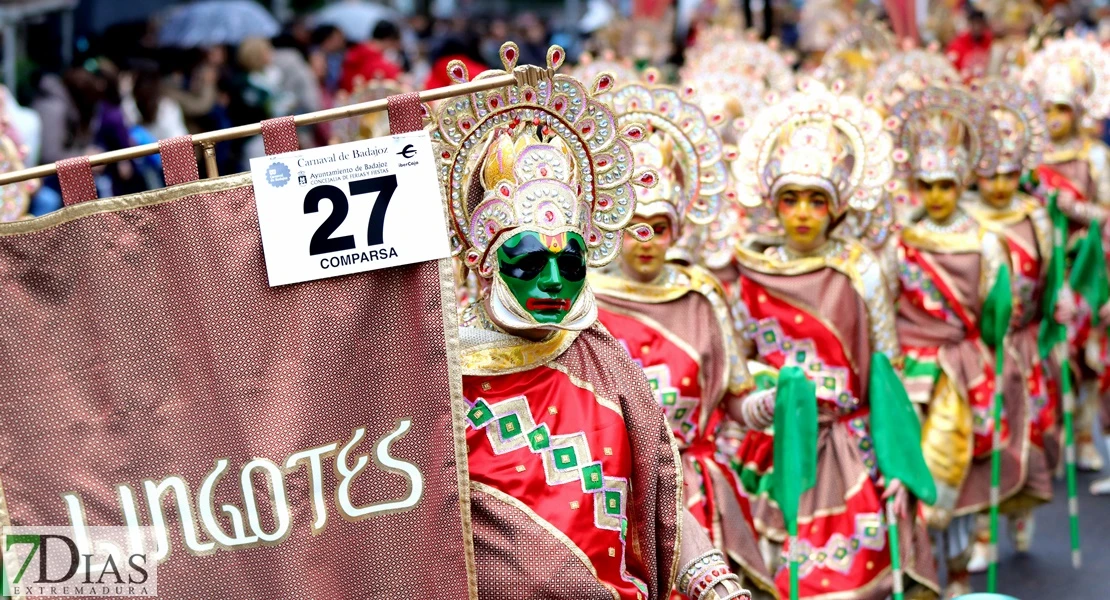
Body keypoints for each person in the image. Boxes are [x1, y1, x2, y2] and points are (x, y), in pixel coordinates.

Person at [429, 43, 751, 600]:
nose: (553, 281)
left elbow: (658, 498)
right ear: (486, 261)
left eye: (569, 261)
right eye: (530, 261)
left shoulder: (601, 356)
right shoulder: (440, 371)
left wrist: (711, 579)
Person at [727, 82, 939, 599]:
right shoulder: (750, 271)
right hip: (776, 441)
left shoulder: (859, 269)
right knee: (772, 576)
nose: (802, 212)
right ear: (772, 205)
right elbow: (740, 363)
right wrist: (766, 396)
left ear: (838, 208)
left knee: (851, 580)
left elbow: (884, 367)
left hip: (850, 444)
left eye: (816, 200)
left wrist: (897, 456)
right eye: (791, 199)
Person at [590, 73, 777, 598]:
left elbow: (736, 400)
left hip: (704, 493)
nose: (647, 242)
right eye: (635, 226)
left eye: (661, 226)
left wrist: (774, 403)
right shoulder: (585, 304)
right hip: (626, 494)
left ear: (680, 229)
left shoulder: (703, 295)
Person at [885, 83, 1012, 598]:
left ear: (961, 184)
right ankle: (920, 573)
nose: (936, 195)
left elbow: (995, 314)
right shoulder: (899, 241)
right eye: (927, 185)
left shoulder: (987, 243)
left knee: (964, 473)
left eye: (946, 185)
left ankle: (958, 574)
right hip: (908, 374)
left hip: (961, 367)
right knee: (908, 472)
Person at [962, 78, 1069, 569]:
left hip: (1026, 345)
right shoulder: (962, 222)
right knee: (983, 440)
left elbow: (1051, 275)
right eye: (989, 175)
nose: (1000, 185)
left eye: (1009, 174)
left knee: (1031, 432)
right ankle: (982, 529)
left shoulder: (1034, 216)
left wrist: (1059, 307)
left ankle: (1019, 514)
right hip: (980, 352)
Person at [1021, 36, 1110, 478]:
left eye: (1063, 110)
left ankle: (1087, 438)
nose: (1055, 120)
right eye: (1048, 109)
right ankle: (1053, 435)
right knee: (1050, 353)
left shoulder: (1094, 155)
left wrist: (1073, 208)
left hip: (1084, 264)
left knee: (1087, 358)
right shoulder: (1031, 158)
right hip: (1045, 266)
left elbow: (1108, 214)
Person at [946, 9, 994, 81]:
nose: (977, 27)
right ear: (970, 24)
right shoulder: (958, 43)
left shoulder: (989, 40)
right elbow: (950, 66)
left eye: (980, 24)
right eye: (974, 24)